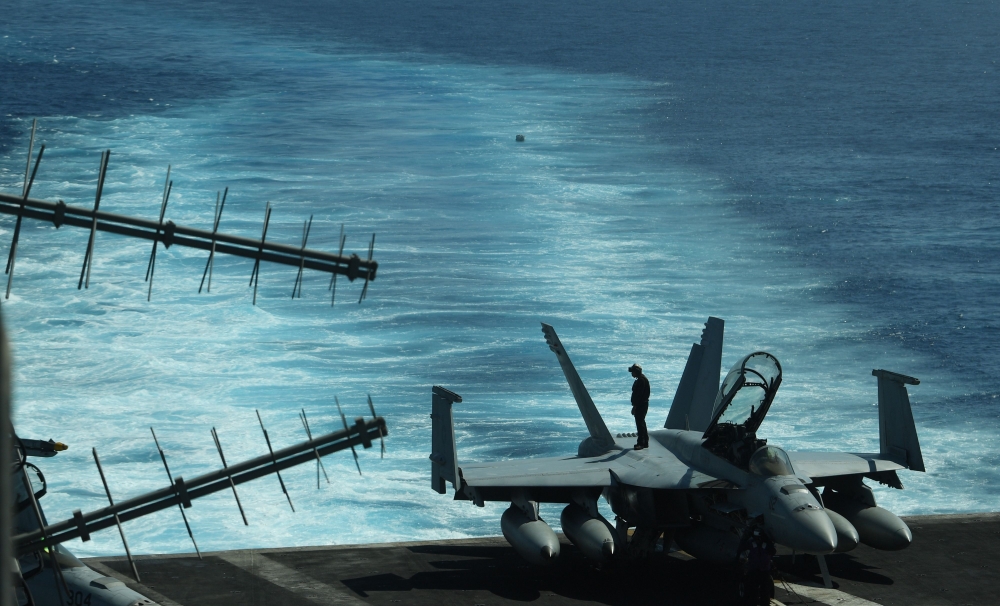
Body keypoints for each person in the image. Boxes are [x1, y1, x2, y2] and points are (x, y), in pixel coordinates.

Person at [629, 364, 650, 449]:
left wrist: (635, 407)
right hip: (642, 405)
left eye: (633, 372)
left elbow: (639, 396)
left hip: (641, 405)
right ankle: (645, 442)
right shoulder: (641, 379)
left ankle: (641, 443)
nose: (632, 374)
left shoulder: (641, 381)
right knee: (641, 423)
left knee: (640, 424)